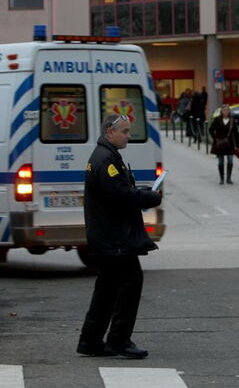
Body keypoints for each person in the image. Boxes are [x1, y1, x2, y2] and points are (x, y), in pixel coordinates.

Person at [77, 113, 162, 359]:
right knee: (130, 283)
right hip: (113, 240)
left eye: (128, 131)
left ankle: (90, 341)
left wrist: (140, 193)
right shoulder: (106, 160)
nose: (128, 136)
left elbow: (119, 192)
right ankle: (119, 340)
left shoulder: (106, 156)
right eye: (124, 131)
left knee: (107, 289)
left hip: (107, 238)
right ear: (109, 132)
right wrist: (150, 197)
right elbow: (121, 197)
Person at [208, 104, 239, 185]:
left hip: (229, 144)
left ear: (229, 111)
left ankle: (229, 178)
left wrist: (238, 145)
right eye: (224, 110)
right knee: (221, 161)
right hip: (219, 143)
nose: (226, 111)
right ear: (221, 111)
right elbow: (210, 129)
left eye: (227, 110)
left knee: (230, 160)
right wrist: (215, 138)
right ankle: (221, 178)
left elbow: (236, 134)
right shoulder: (217, 120)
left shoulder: (232, 121)